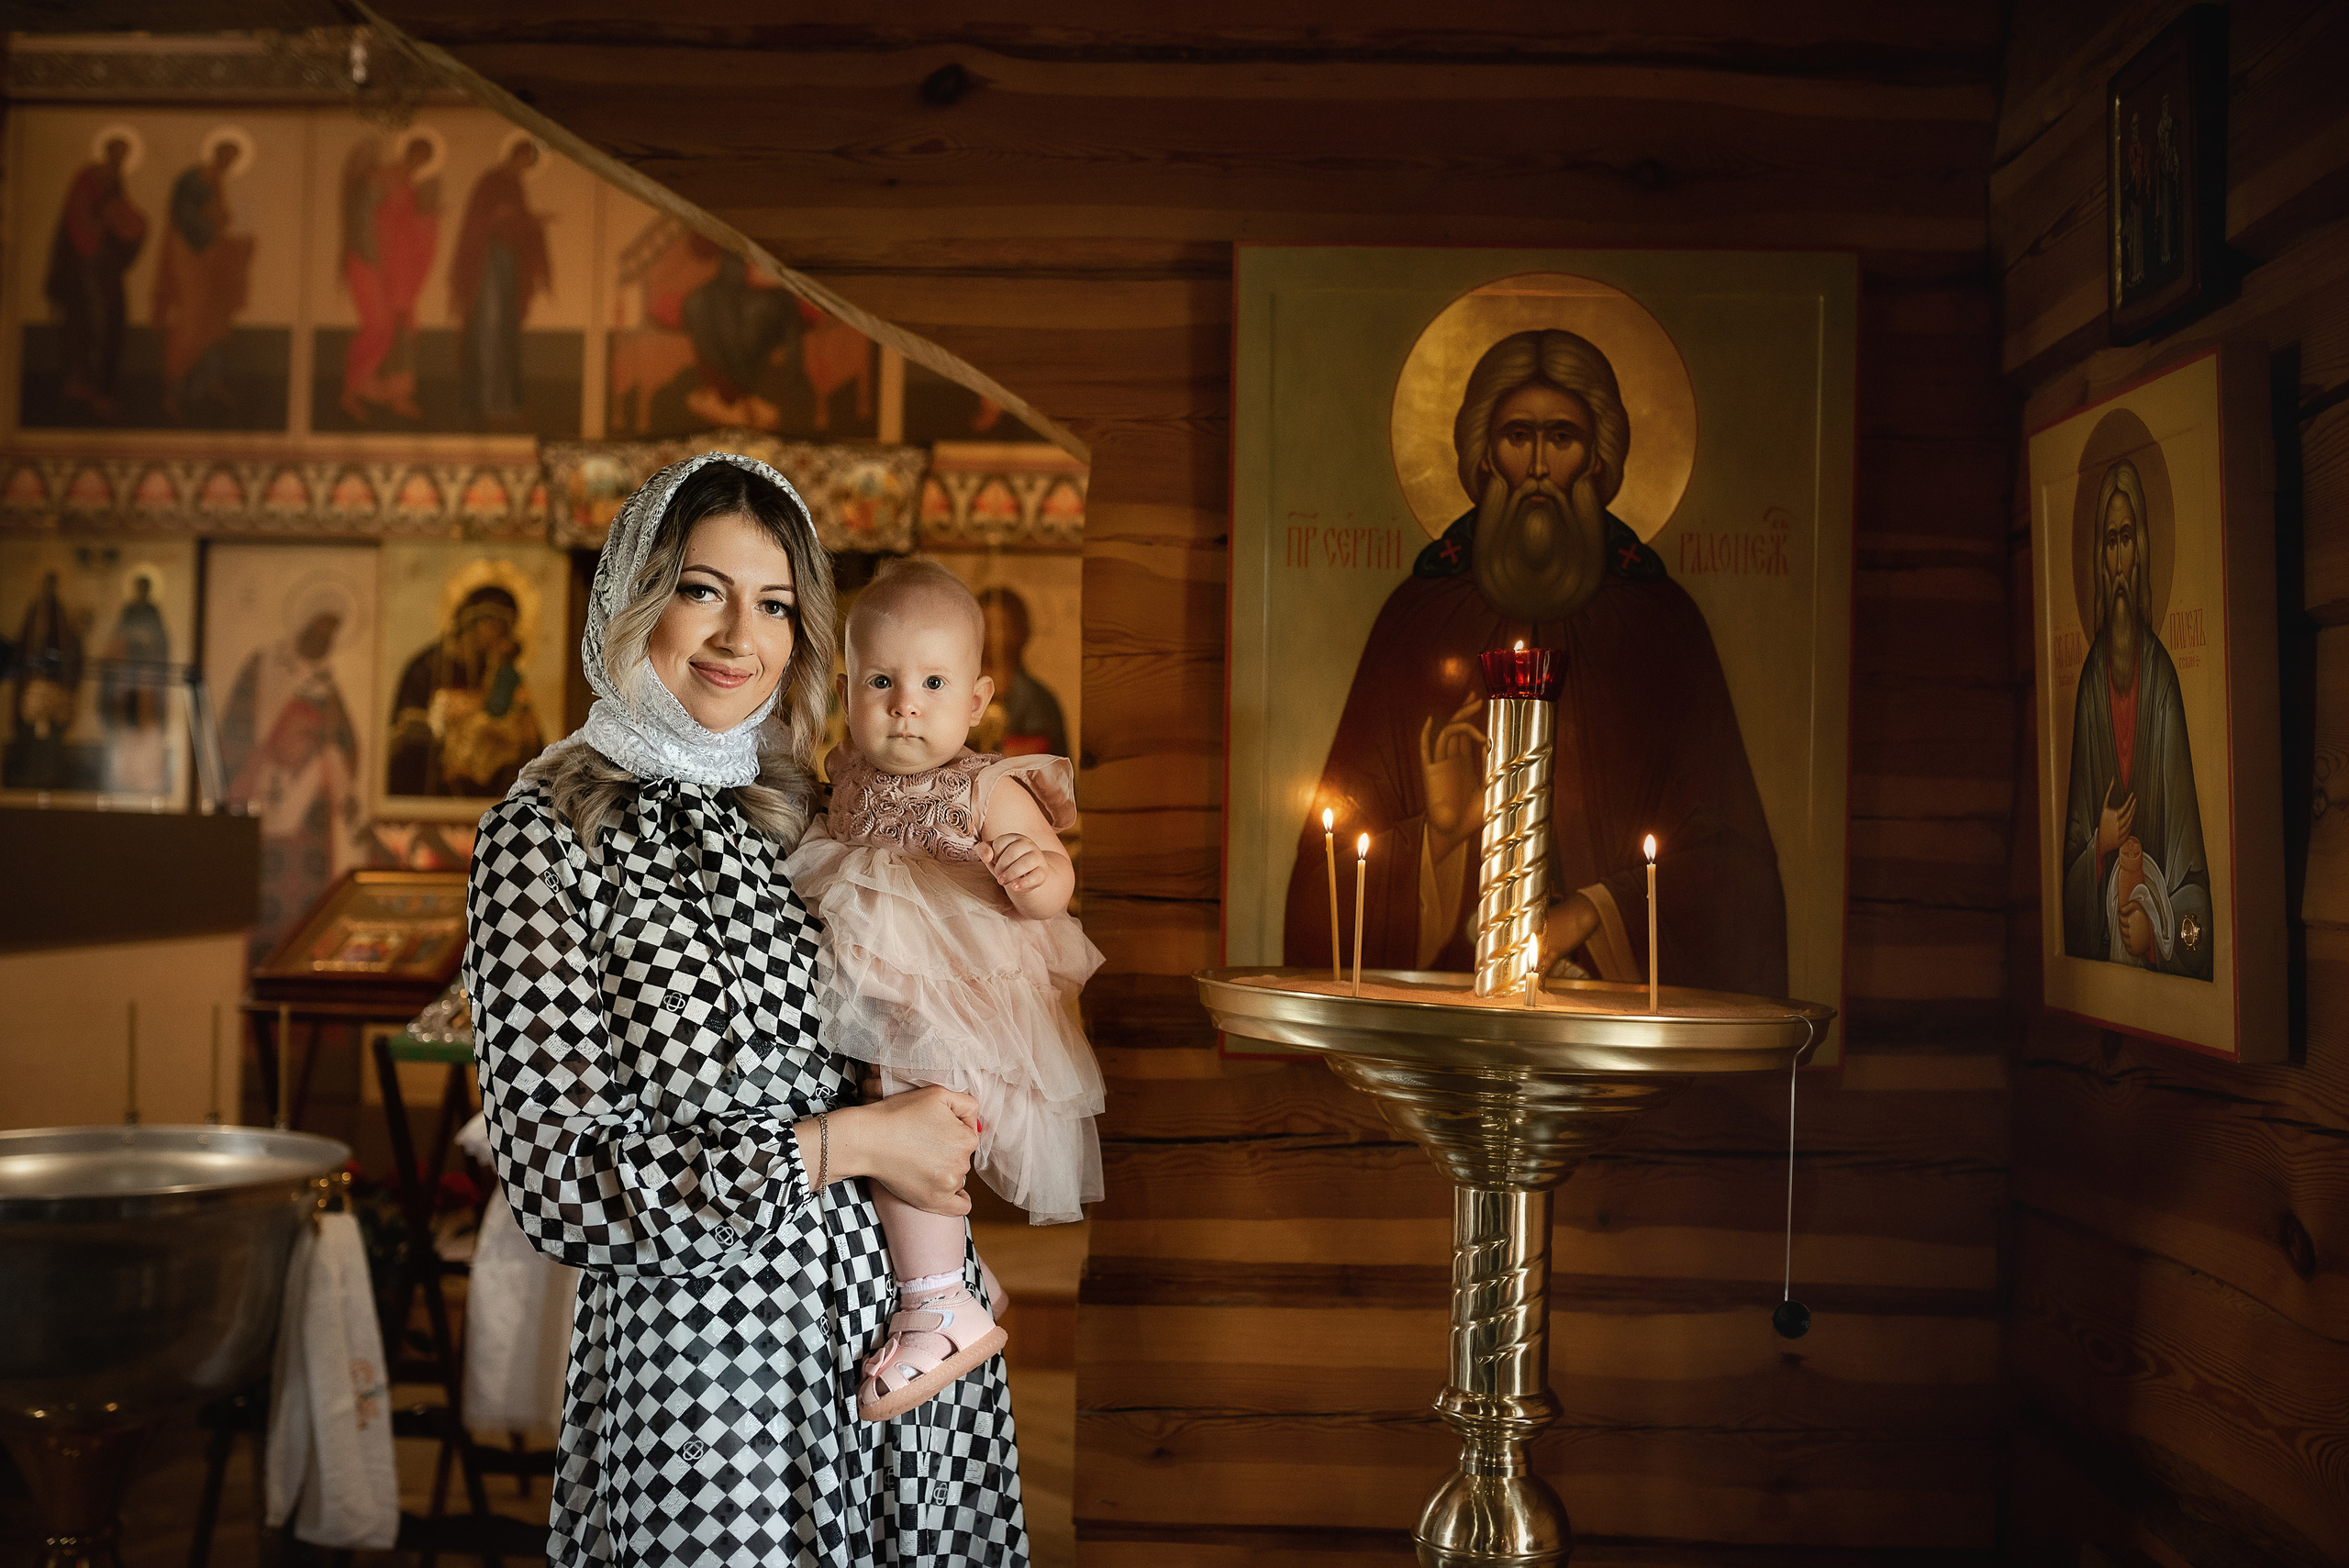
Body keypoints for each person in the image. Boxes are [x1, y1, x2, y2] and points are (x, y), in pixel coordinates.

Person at [463, 453, 1028, 1562]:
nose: (740, 637)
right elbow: (561, 1188)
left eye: (773, 603)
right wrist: (850, 1142)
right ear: (632, 593)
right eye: (700, 588)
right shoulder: (542, 838)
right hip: (706, 1384)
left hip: (897, 1345)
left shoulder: (810, 811)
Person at [1284, 328, 1787, 996]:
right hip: (1450, 1031)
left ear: (1598, 460)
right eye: (1519, 437)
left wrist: (1590, 912)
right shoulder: (1419, 619)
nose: (1541, 465)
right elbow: (1326, 885)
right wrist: (1437, 841)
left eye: (1563, 438)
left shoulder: (1662, 626)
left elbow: (1735, 873)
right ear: (1486, 458)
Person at [786, 561, 1104, 1421]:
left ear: (976, 699)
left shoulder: (986, 785)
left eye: (932, 682)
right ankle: (957, 1265)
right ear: (848, 691)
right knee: (875, 1099)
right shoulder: (847, 770)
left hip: (953, 996)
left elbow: (1052, 890)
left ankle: (938, 1301)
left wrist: (1036, 873)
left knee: (906, 1111)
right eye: (881, 682)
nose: (905, 704)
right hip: (887, 979)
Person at [2060, 457, 2211, 977]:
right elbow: (2069, 873)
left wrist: (2157, 937)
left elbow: (2191, 871)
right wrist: (2099, 843)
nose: (2119, 559)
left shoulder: (2164, 685)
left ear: (2141, 551)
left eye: (2127, 538)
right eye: (2109, 541)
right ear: (2101, 560)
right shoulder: (2086, 691)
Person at [221, 581, 362, 962]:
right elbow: (234, 725)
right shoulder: (263, 664)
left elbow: (346, 741)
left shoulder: (326, 681)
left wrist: (327, 748)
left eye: (334, 628)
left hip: (311, 809)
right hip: (264, 795)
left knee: (311, 907)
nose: (327, 635)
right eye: (322, 624)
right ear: (305, 622)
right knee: (263, 898)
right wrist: (267, 754)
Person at [385, 582, 544, 797]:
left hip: (488, 784)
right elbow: (407, 731)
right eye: (493, 626)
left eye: (504, 630)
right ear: (470, 622)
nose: (498, 636)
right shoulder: (427, 667)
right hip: (434, 782)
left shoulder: (500, 672)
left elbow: (529, 737)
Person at [450, 137, 552, 428]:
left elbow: (514, 223)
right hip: (488, 262)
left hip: (507, 263)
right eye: (525, 159)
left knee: (504, 330)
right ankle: (485, 403)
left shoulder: (515, 185)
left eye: (530, 162)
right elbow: (483, 220)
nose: (525, 166)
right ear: (515, 155)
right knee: (488, 329)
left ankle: (503, 404)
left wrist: (530, 222)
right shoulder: (492, 180)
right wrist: (516, 218)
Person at [44, 134, 147, 422]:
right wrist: (99, 229)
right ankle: (82, 387)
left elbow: (120, 218)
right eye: (117, 151)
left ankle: (102, 391)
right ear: (107, 152)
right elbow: (79, 216)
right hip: (83, 264)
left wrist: (134, 225)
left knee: (112, 320)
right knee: (86, 321)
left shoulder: (115, 182)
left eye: (124, 154)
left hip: (104, 266)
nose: (120, 158)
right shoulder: (90, 178)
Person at [340, 134, 440, 423]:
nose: (418, 161)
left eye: (425, 158)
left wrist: (427, 220)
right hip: (372, 264)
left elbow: (405, 224)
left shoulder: (408, 185)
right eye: (417, 153)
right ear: (408, 151)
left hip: (399, 271)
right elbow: (364, 219)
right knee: (378, 327)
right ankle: (351, 393)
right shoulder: (380, 176)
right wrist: (375, 258)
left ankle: (398, 397)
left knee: (402, 331)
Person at [153, 135, 254, 421]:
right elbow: (186, 217)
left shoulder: (219, 183)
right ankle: (173, 393)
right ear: (216, 153)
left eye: (234, 157)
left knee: (216, 321)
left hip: (211, 261)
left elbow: (223, 223)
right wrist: (213, 224)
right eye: (226, 155)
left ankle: (211, 384)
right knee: (191, 323)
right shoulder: (197, 178)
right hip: (190, 258)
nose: (229, 161)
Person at [98, 573, 173, 794]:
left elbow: (162, 643)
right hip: (125, 680)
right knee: (124, 735)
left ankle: (146, 782)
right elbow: (116, 639)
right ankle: (121, 780)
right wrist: (126, 643)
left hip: (146, 683)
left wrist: (146, 643)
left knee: (146, 732)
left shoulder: (153, 613)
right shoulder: (128, 611)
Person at [975, 584, 1069, 758]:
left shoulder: (1039, 699)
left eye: (1001, 625)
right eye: (986, 625)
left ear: (1019, 631)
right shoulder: (959, 692)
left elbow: (1054, 764)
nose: (992, 635)